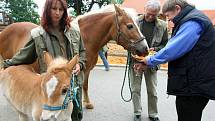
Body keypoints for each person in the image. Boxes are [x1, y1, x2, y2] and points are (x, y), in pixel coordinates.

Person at [1, 0, 86, 121]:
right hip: (51, 87)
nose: (57, 13)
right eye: (54, 9)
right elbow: (24, 55)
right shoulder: (38, 34)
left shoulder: (75, 31)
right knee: (50, 117)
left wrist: (80, 64)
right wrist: (6, 64)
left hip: (73, 83)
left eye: (61, 10)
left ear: (64, 11)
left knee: (75, 117)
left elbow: (82, 52)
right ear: (47, 10)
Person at [138, 0, 215, 121]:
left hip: (193, 84)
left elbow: (173, 49)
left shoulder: (192, 21)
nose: (169, 20)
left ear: (178, 9)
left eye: (168, 16)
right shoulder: (193, 18)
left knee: (187, 115)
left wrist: (150, 60)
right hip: (193, 81)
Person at [129, 0, 168, 121]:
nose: (151, 17)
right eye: (148, 14)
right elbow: (127, 41)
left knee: (152, 91)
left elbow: (165, 45)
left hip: (152, 62)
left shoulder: (162, 25)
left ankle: (153, 114)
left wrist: (155, 49)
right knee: (135, 89)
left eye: (154, 15)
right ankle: (137, 112)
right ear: (145, 9)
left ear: (158, 13)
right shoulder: (134, 22)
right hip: (136, 62)